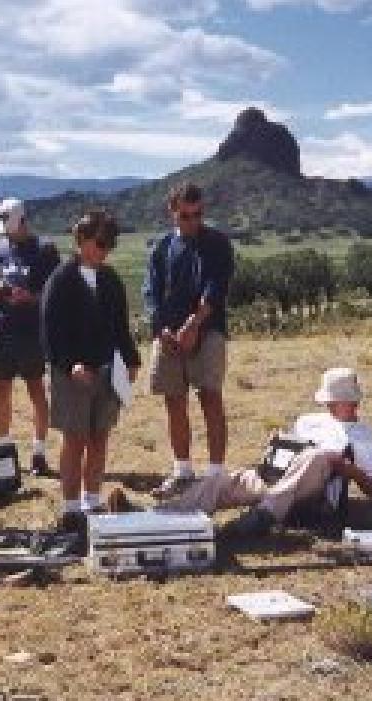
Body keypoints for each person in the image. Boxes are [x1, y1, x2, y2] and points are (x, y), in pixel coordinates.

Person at [159, 367, 372, 537]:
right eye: (329, 401)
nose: (329, 405)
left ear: (352, 401)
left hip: (314, 494)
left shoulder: (363, 436)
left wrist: (346, 468)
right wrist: (278, 444)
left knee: (317, 456)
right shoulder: (309, 421)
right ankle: (164, 516)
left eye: (335, 401)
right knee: (219, 481)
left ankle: (263, 516)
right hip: (277, 478)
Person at [40, 209, 140, 534]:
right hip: (72, 375)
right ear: (80, 240)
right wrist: (70, 365)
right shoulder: (60, 280)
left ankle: (92, 501)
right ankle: (70, 510)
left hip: (107, 370)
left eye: (110, 244)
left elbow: (120, 326)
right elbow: (51, 333)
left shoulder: (110, 279)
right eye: (100, 242)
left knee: (100, 437)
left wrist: (131, 357)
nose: (105, 250)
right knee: (75, 439)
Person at [143, 182, 235, 499]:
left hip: (208, 329)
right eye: (186, 216)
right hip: (169, 333)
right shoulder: (161, 248)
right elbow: (151, 293)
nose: (193, 221)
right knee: (173, 400)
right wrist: (161, 328)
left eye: (198, 215)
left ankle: (216, 475)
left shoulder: (218, 243)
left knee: (210, 396)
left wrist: (195, 324)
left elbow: (215, 287)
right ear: (173, 212)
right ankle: (182, 471)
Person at [0, 197, 61, 476]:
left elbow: (55, 293)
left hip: (31, 333)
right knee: (1, 392)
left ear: (23, 221)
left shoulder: (45, 250)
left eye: (11, 227)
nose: (7, 234)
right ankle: (0, 453)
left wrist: (31, 297)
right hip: (1, 329)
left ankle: (38, 453)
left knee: (36, 390)